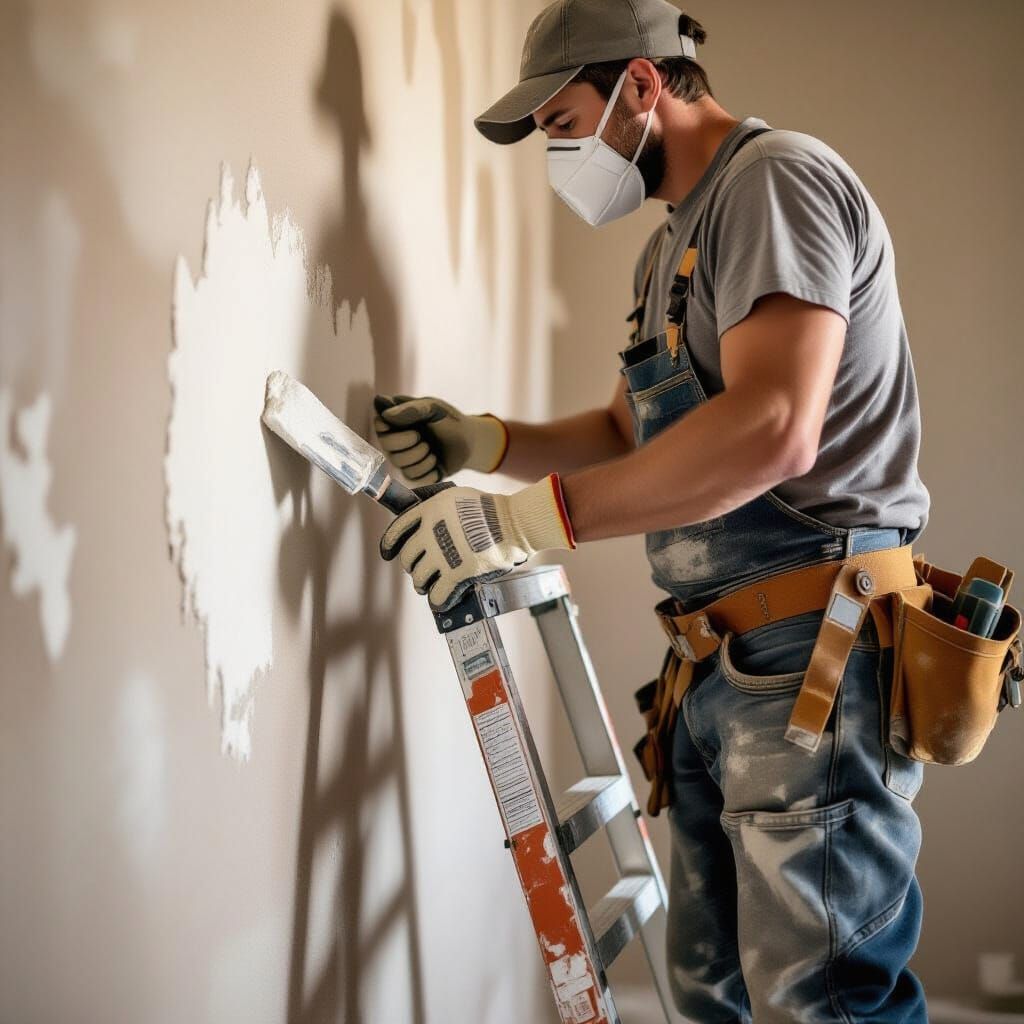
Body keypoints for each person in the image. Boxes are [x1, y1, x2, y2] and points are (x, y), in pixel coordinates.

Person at [374, 1, 931, 1019]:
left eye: (559, 122)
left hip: (816, 659)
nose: (555, 151)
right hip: (722, 671)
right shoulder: (669, 245)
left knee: (823, 999)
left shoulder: (774, 183)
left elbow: (773, 429)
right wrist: (488, 443)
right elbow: (639, 432)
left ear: (639, 84)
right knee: (712, 992)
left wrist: (524, 522)